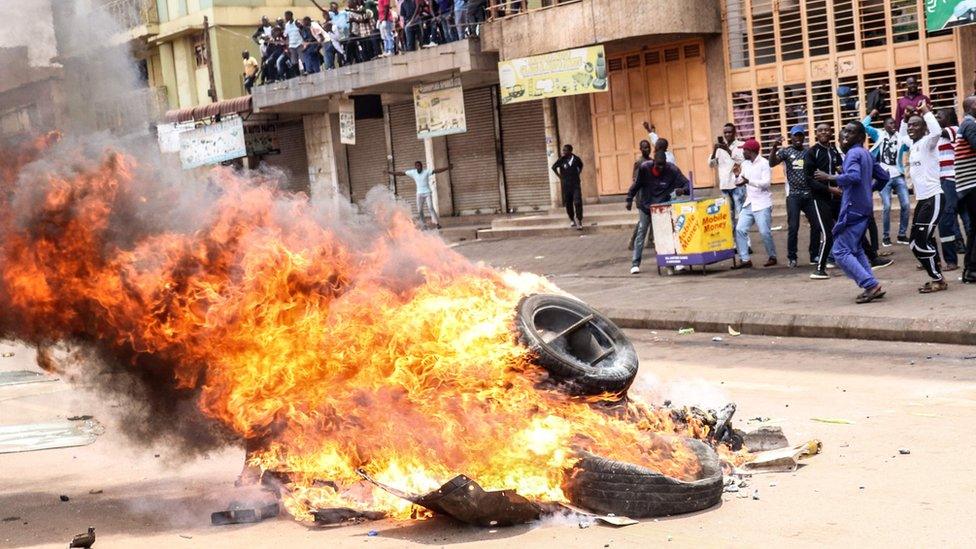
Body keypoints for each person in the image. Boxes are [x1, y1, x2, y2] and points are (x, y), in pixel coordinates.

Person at [814, 122, 889, 303]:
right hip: (863, 207)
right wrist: (867, 189)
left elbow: (854, 177)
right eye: (845, 130)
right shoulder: (867, 154)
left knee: (840, 251)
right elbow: (884, 177)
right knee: (855, 249)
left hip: (853, 208)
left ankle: (870, 285)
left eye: (850, 132)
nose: (845, 134)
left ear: (861, 137)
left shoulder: (853, 153)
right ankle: (871, 284)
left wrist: (830, 177)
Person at [900, 103, 949, 293]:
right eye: (910, 125)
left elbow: (936, 131)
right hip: (922, 201)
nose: (911, 128)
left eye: (915, 125)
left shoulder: (929, 143)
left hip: (934, 197)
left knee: (920, 242)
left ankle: (938, 279)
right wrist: (904, 120)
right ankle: (937, 274)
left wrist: (926, 111)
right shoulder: (913, 145)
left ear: (924, 128)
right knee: (916, 242)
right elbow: (902, 137)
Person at [625, 150, 690, 274]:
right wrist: (629, 199)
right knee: (642, 232)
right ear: (653, 162)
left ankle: (672, 263)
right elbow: (636, 184)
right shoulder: (645, 168)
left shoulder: (672, 170)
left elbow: (687, 184)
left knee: (666, 235)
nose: (660, 168)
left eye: (663, 165)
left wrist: (683, 190)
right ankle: (635, 263)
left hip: (662, 207)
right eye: (658, 165)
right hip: (646, 206)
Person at [770, 125, 818, 268]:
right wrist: (774, 148)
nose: (798, 138)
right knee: (793, 227)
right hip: (793, 196)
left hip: (808, 194)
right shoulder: (786, 152)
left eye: (800, 135)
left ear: (804, 137)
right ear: (791, 137)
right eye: (795, 136)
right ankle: (792, 257)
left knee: (816, 225)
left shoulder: (808, 152)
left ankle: (814, 254)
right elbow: (772, 163)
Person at [864, 109, 910, 246]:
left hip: (898, 175)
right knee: (887, 206)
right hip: (883, 176)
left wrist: (905, 119)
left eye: (894, 123)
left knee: (906, 204)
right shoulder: (879, 134)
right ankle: (886, 236)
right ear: (884, 126)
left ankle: (902, 235)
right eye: (890, 123)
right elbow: (863, 126)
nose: (893, 125)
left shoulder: (900, 137)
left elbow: (905, 133)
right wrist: (871, 115)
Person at [730, 139, 777, 269]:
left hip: (762, 203)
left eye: (744, 150)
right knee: (740, 229)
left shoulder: (764, 163)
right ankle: (745, 260)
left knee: (764, 232)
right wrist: (737, 176)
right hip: (749, 203)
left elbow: (766, 183)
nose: (742, 152)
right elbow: (740, 182)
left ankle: (772, 256)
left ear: (750, 151)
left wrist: (748, 181)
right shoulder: (745, 164)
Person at [388, 161, 451, 229]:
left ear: (421, 166)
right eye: (417, 166)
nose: (418, 167)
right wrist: (390, 172)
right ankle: (424, 225)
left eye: (419, 166)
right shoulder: (413, 172)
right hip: (419, 194)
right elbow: (401, 173)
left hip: (427, 193)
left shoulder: (426, 172)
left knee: (430, 208)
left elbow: (437, 171)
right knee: (420, 210)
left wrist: (447, 168)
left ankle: (437, 224)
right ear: (415, 167)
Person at [935, 108, 960, 270]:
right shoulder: (940, 137)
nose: (937, 117)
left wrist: (927, 114)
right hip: (944, 180)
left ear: (949, 117)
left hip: (951, 180)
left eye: (940, 115)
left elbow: (937, 131)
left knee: (946, 220)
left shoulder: (953, 130)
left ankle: (951, 260)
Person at [955, 95, 976, 284]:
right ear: (971, 107)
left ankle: (970, 269)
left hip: (968, 184)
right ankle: (971, 269)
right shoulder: (970, 124)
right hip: (971, 184)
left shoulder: (968, 123)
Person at [709, 123, 745, 224]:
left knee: (740, 214)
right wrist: (715, 149)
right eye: (725, 132)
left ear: (735, 133)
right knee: (729, 215)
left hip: (737, 184)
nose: (727, 134)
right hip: (725, 185)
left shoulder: (741, 145)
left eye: (729, 132)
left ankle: (743, 239)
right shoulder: (719, 148)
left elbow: (741, 160)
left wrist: (727, 150)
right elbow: (711, 164)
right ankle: (733, 238)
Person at [628, 139, 654, 252]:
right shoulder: (639, 163)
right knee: (643, 221)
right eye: (644, 147)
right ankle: (633, 241)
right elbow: (636, 181)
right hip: (642, 196)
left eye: (648, 147)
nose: (647, 149)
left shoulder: (652, 161)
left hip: (651, 195)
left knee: (653, 218)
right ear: (640, 149)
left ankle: (651, 240)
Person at [551, 144, 584, 230]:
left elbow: (581, 166)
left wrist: (578, 173)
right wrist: (560, 177)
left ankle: (579, 220)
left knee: (577, 202)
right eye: (563, 150)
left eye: (565, 150)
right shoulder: (562, 160)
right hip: (566, 185)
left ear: (570, 151)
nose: (563, 152)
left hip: (575, 184)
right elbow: (553, 167)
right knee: (568, 203)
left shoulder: (576, 159)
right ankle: (571, 218)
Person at [282, 11, 304, 79]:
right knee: (294, 61)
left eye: (286, 16)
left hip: (299, 43)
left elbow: (301, 30)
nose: (285, 17)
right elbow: (287, 35)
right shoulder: (287, 25)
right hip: (292, 45)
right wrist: (287, 46)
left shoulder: (296, 22)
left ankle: (306, 71)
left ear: (290, 15)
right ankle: (297, 75)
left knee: (303, 59)